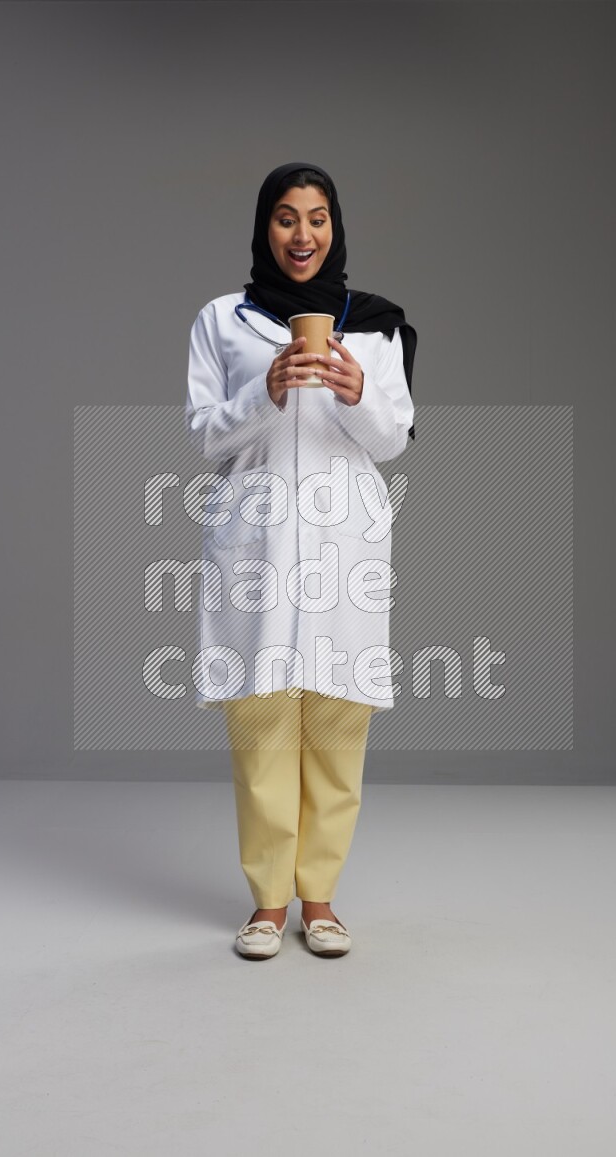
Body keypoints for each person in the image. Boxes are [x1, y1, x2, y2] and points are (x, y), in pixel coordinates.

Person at [184, 162, 416, 959]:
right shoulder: (222, 320)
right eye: (286, 218)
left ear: (336, 226)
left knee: (337, 723)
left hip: (343, 546)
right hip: (257, 544)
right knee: (261, 724)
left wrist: (357, 391)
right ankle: (266, 903)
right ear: (264, 228)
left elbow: (391, 443)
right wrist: (267, 390)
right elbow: (205, 434)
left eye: (316, 218)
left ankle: (319, 899)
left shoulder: (375, 326)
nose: (303, 235)